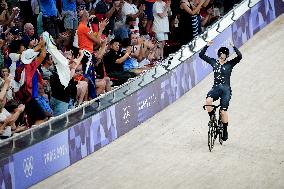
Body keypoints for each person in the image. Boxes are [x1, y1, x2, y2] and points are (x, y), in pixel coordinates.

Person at [199, 40, 242, 141]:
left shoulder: (230, 64)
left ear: (226, 56)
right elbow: (201, 55)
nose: (220, 58)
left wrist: (234, 47)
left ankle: (225, 130)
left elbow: (239, 56)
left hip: (226, 91)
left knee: (223, 112)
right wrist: (207, 46)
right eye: (220, 55)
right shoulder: (214, 62)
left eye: (222, 56)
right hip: (216, 89)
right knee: (208, 101)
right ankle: (212, 118)